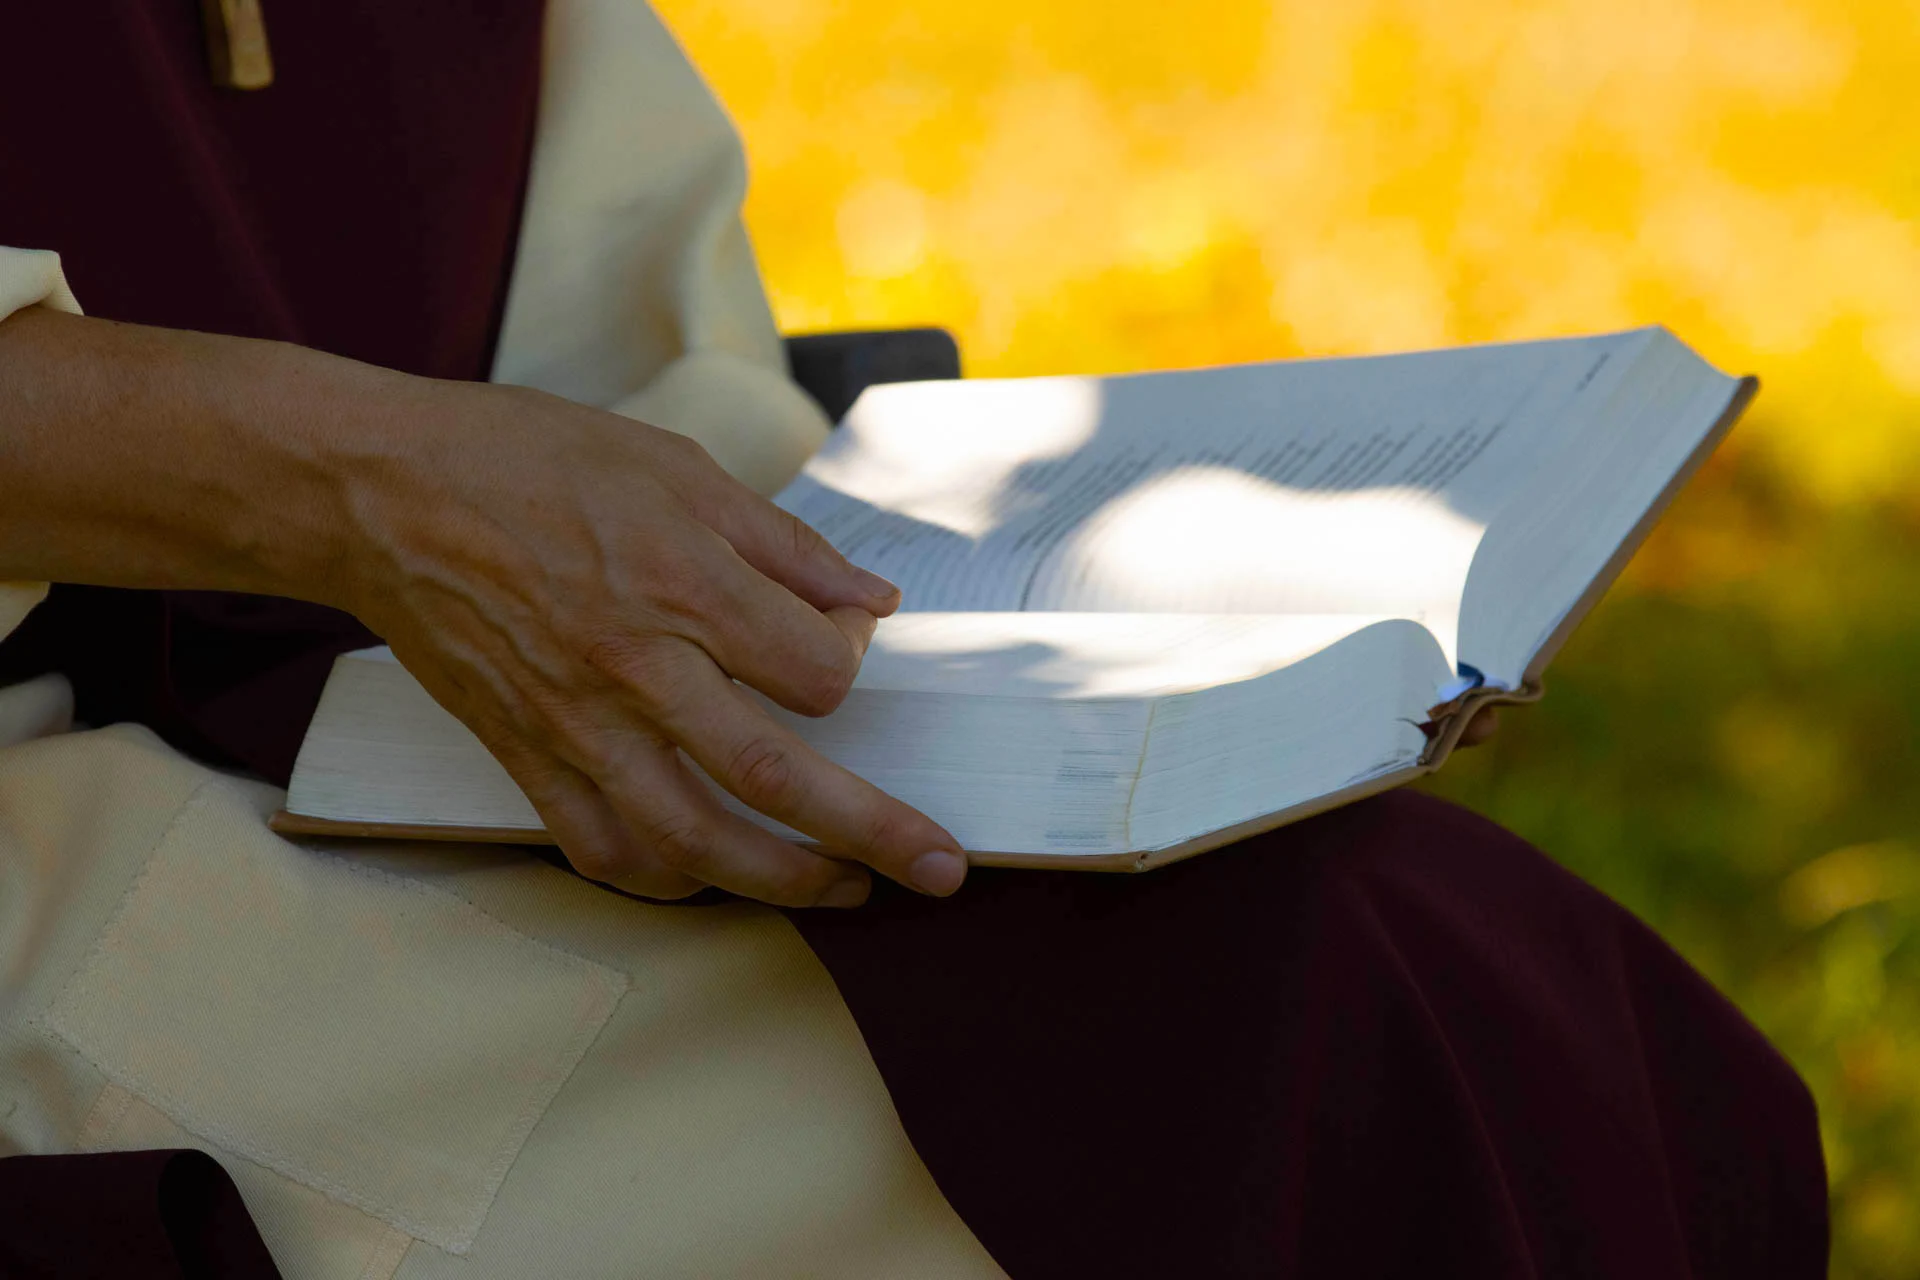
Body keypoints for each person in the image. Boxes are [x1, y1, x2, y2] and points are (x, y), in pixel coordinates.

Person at [0, 3, 1826, 1277]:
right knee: (1276, 1067)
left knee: (1431, 965)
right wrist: (341, 488)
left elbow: (616, 332)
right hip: (53, 852)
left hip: (412, 730)